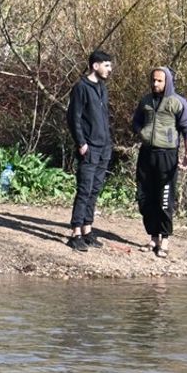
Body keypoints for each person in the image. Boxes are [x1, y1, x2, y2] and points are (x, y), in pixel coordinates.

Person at [131, 67, 187, 258]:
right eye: (153, 80)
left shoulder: (178, 102)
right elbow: (136, 121)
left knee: (164, 198)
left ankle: (165, 239)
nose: (155, 84)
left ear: (167, 81)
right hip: (146, 154)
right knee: (144, 197)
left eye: (159, 81)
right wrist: (141, 132)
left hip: (167, 156)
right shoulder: (146, 101)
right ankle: (153, 237)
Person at [65, 50, 114, 252]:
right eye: (107, 65)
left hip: (104, 147)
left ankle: (87, 230)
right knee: (84, 189)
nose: (109, 69)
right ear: (95, 66)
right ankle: (75, 233)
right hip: (89, 147)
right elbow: (73, 118)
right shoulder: (81, 87)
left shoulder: (102, 87)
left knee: (95, 190)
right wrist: (81, 143)